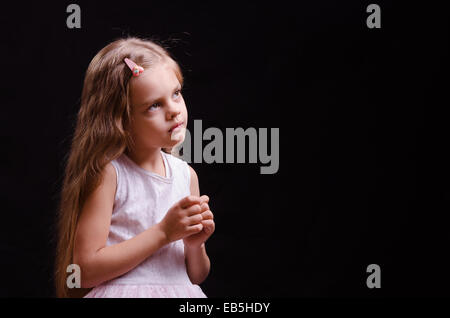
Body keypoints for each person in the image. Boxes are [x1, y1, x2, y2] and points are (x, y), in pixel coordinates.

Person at [54, 37, 215, 298]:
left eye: (176, 94)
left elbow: (195, 275)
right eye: (154, 105)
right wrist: (163, 233)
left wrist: (195, 245)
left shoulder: (186, 176)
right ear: (121, 120)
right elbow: (83, 270)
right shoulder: (111, 174)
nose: (174, 111)